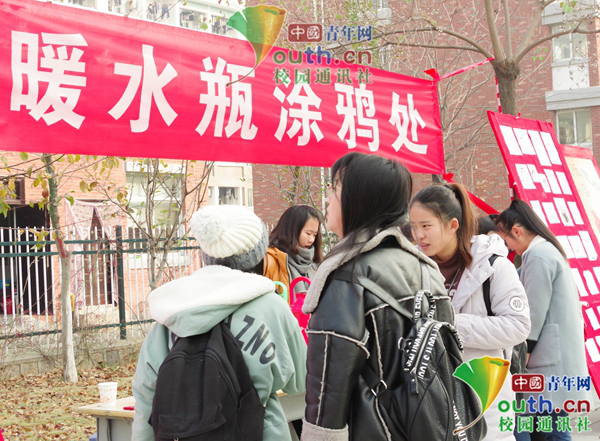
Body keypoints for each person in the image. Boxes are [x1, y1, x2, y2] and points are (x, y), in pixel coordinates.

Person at [301, 152, 455, 441]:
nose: (327, 202)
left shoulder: (347, 275)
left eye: (333, 191)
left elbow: (327, 392)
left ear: (357, 200)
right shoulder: (426, 269)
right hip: (430, 428)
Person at [131, 205, 307, 441]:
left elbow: (145, 395)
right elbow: (300, 382)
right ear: (258, 255)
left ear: (206, 254)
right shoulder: (272, 307)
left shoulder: (171, 311)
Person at [410, 183, 531, 440]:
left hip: (485, 401)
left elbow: (518, 326)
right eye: (414, 226)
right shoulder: (413, 270)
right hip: (432, 405)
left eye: (426, 225)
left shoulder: (494, 267)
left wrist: (450, 325)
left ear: (453, 225)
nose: (418, 235)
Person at [496, 199, 592, 441]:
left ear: (516, 231)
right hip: (555, 359)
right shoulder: (546, 251)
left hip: (548, 360)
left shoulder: (538, 255)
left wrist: (524, 349)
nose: (509, 248)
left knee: (551, 431)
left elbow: (533, 310)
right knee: (550, 427)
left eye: (506, 241)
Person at [265, 204, 323, 297]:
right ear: (292, 230)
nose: (311, 239)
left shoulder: (315, 264)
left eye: (315, 234)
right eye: (308, 233)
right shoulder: (269, 260)